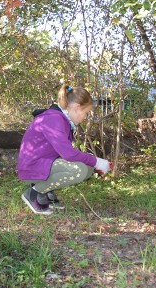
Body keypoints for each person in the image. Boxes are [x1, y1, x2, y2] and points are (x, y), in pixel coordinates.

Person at [17, 85, 111, 214]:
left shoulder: (61, 119)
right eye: (86, 113)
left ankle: (45, 193)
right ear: (77, 108)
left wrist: (92, 162)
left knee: (87, 167)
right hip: (33, 167)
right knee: (80, 169)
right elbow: (68, 154)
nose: (85, 117)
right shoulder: (54, 119)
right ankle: (34, 193)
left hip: (43, 164)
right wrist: (96, 161)